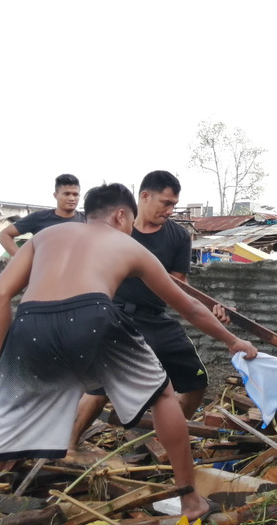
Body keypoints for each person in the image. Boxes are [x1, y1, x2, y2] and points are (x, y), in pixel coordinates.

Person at [0, 183, 258, 525]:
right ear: (120, 215)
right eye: (130, 222)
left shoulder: (45, 237)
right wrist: (232, 341)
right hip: (92, 315)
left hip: (30, 325)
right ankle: (190, 500)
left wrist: (8, 364)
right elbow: (189, 307)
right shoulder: (127, 245)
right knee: (163, 396)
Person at [67, 171, 224, 456]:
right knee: (101, 386)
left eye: (174, 204)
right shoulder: (116, 226)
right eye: (165, 203)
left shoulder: (177, 236)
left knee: (195, 381)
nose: (170, 210)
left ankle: (162, 441)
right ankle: (67, 446)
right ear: (144, 196)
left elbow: (180, 285)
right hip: (115, 315)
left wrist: (210, 308)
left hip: (155, 318)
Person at [0, 173, 85, 256]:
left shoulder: (87, 220)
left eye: (75, 194)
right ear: (55, 195)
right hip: (45, 271)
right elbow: (3, 235)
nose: (71, 198)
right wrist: (22, 261)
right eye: (66, 194)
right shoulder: (39, 217)